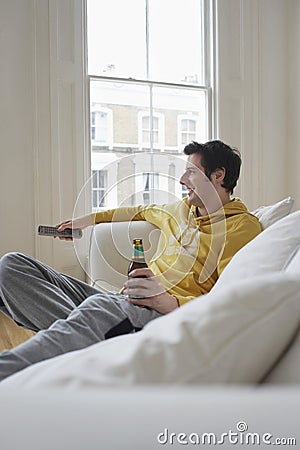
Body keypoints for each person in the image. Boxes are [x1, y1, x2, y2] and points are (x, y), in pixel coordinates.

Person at [0, 140, 261, 381]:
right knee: (12, 266)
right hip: (123, 300)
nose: (182, 180)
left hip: (159, 314)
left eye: (191, 172)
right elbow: (137, 211)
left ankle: (11, 369)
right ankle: (99, 343)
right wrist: (85, 222)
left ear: (218, 175)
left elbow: (232, 298)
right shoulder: (179, 210)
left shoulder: (242, 228)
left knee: (98, 306)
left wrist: (171, 302)